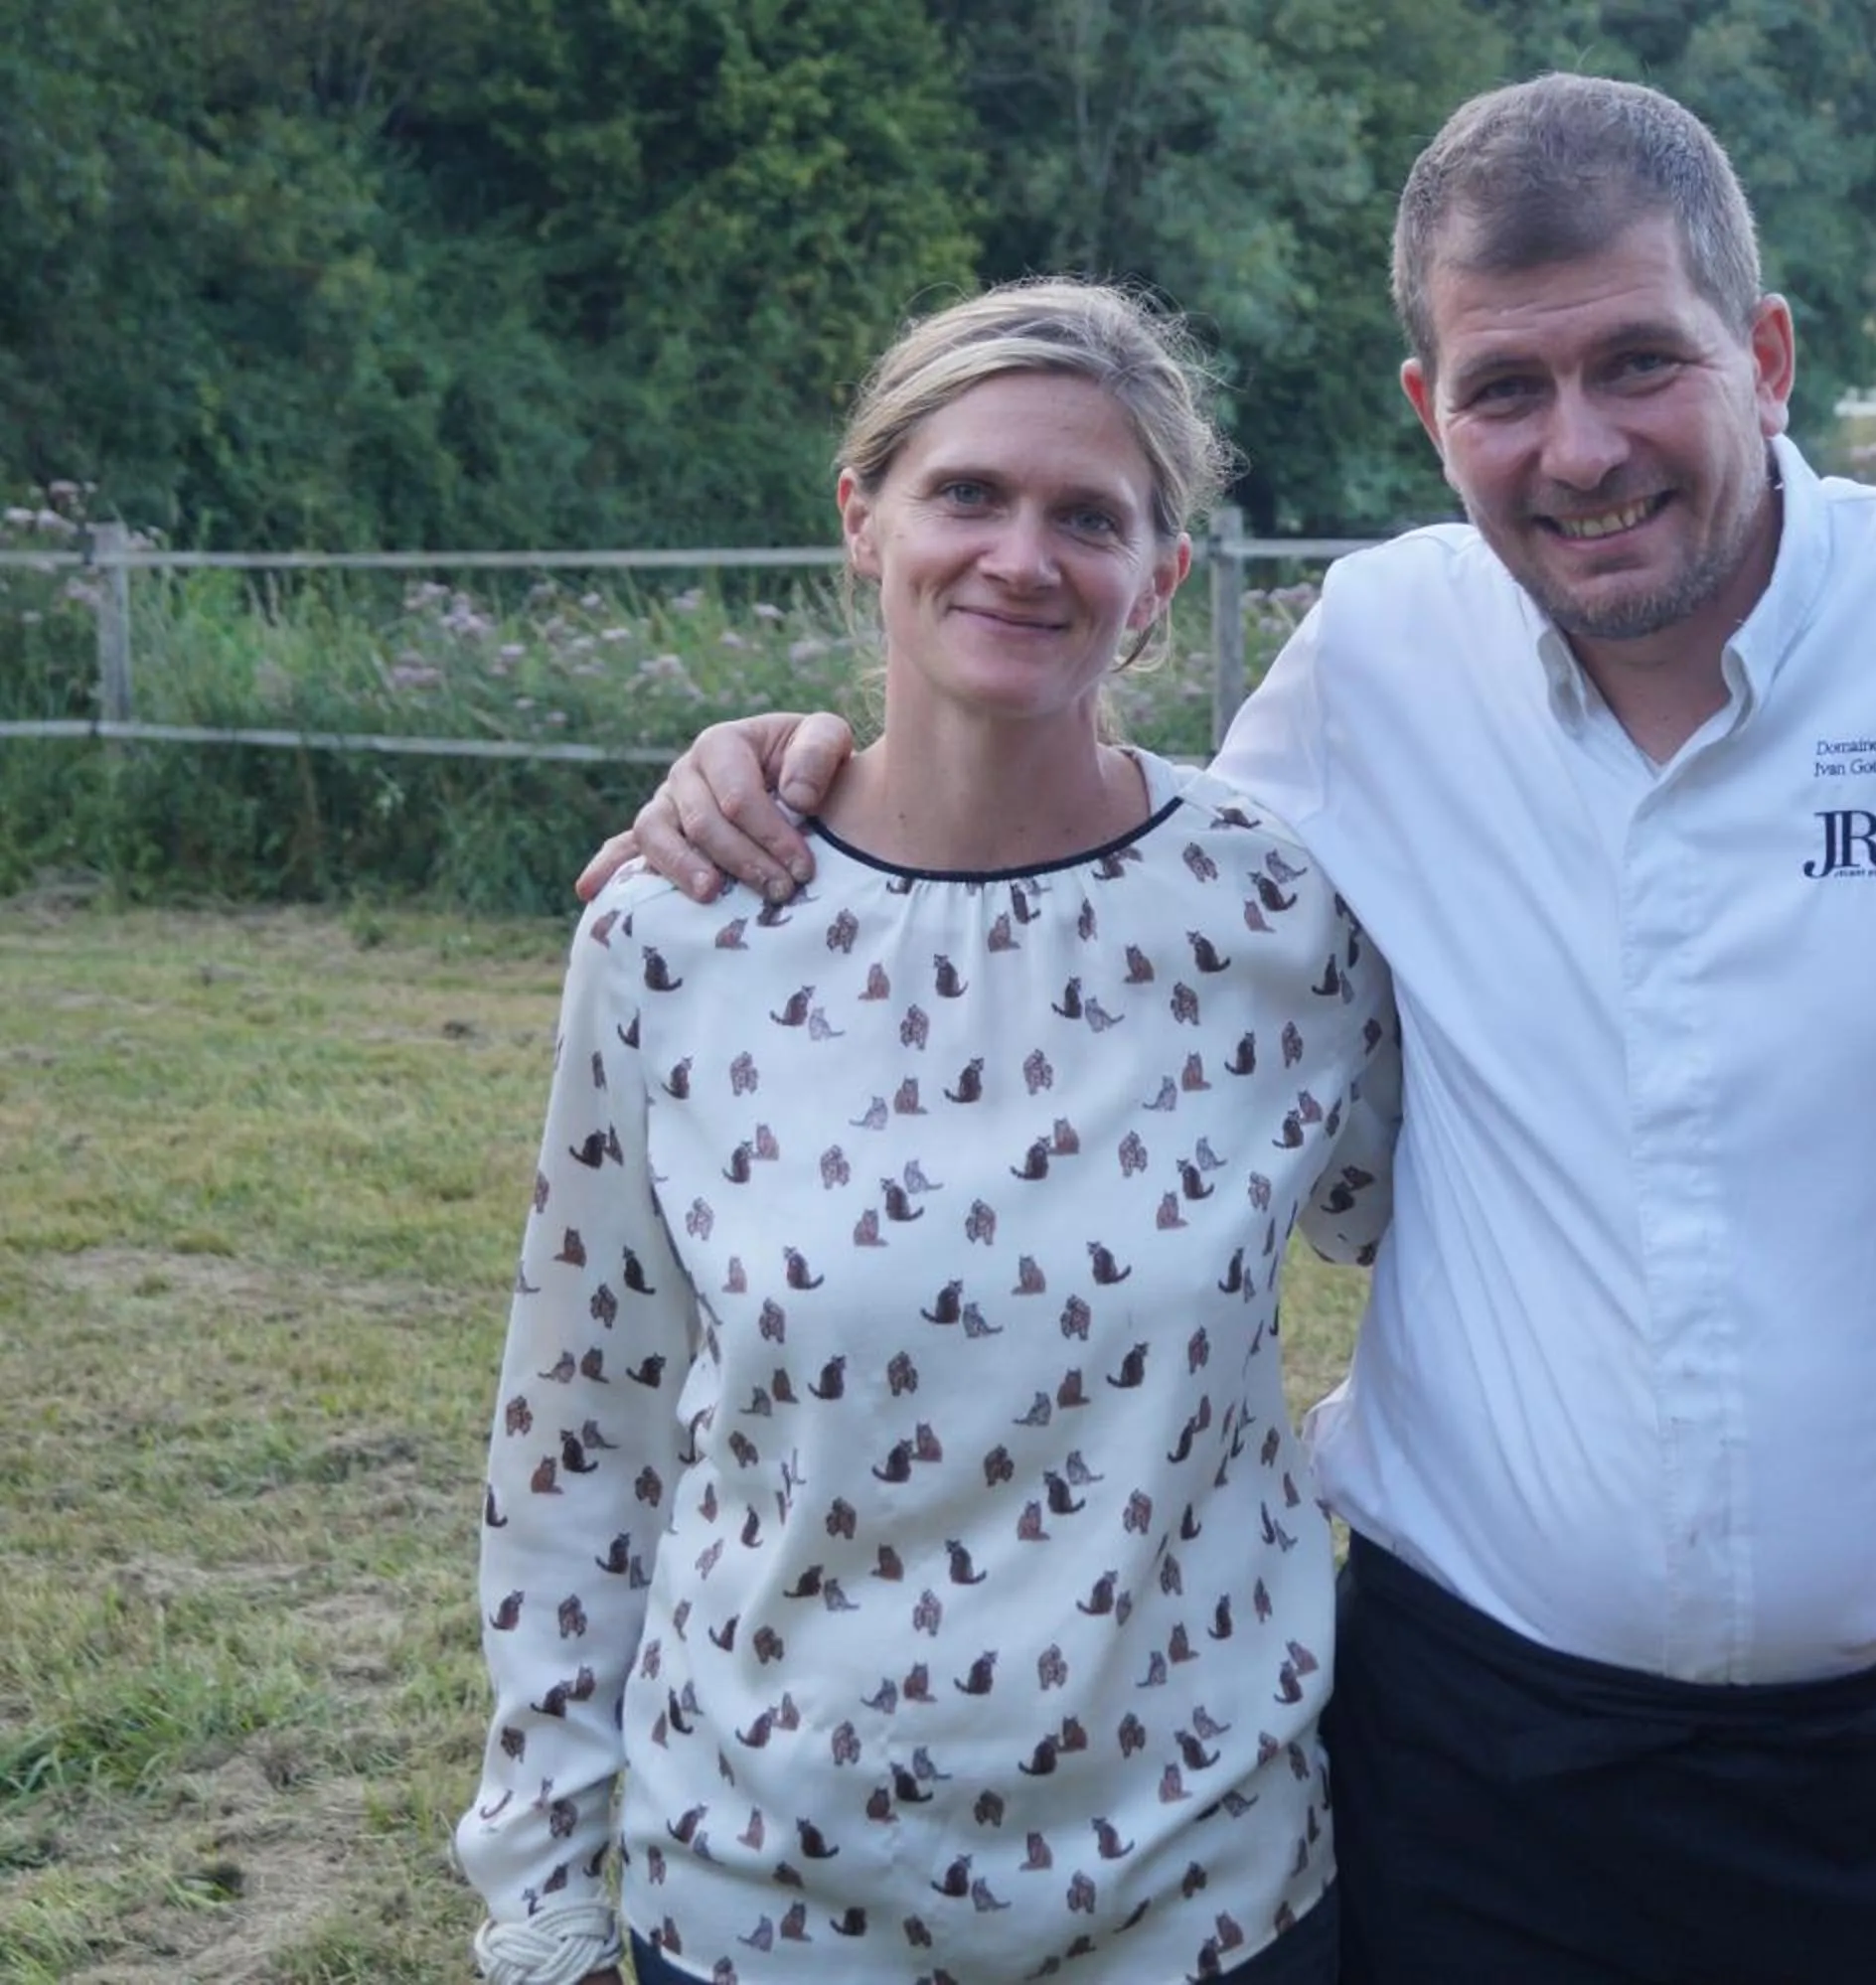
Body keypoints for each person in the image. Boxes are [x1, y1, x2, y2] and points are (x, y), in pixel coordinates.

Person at [583, 75, 1876, 1985]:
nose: (1581, 450)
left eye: (1641, 363)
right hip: (1475, 1761)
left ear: (1769, 355)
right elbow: (1115, 892)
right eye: (1506, 390)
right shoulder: (1383, 651)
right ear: (1429, 413)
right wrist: (796, 772)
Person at [460, 278, 1397, 1985]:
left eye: (1088, 517)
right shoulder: (676, 934)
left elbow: (1452, 1239)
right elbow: (577, 1429)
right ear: (863, 516)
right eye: (968, 493)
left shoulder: (1280, 914)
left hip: (1202, 1895)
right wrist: (542, 1883)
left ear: (1162, 581)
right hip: (762, 1896)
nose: (1021, 558)